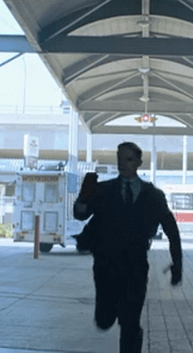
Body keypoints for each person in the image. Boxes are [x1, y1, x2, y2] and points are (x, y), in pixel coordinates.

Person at [73, 142, 182, 353]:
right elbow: (80, 214)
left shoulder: (153, 196)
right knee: (104, 320)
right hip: (106, 268)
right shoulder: (103, 190)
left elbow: (171, 228)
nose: (123, 163)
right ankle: (106, 315)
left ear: (139, 163)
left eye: (129, 159)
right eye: (120, 158)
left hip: (136, 268)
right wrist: (83, 197)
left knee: (130, 323)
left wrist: (178, 262)